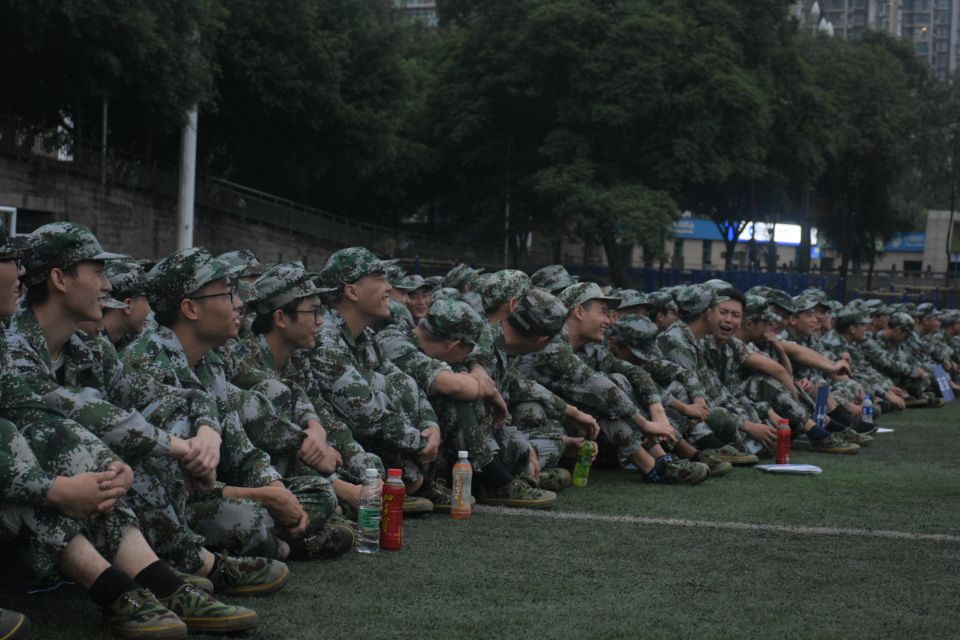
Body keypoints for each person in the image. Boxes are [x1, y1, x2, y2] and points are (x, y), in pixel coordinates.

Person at [377, 298, 557, 507]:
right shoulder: (393, 342)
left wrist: (478, 372)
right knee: (460, 397)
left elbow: (470, 365)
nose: (469, 354)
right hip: (394, 449)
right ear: (453, 344)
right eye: (468, 349)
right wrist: (490, 391)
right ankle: (495, 480)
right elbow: (454, 386)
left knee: (469, 388)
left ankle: (502, 472)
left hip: (429, 445)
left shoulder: (434, 346)